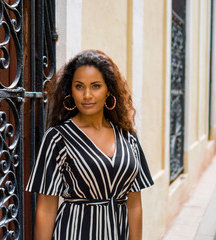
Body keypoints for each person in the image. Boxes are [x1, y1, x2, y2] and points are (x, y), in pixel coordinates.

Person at [26, 49, 154, 240]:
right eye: (79, 86)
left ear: (108, 90)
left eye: (95, 86)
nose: (87, 95)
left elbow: (134, 204)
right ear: (71, 90)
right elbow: (46, 208)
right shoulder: (57, 138)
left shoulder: (128, 138)